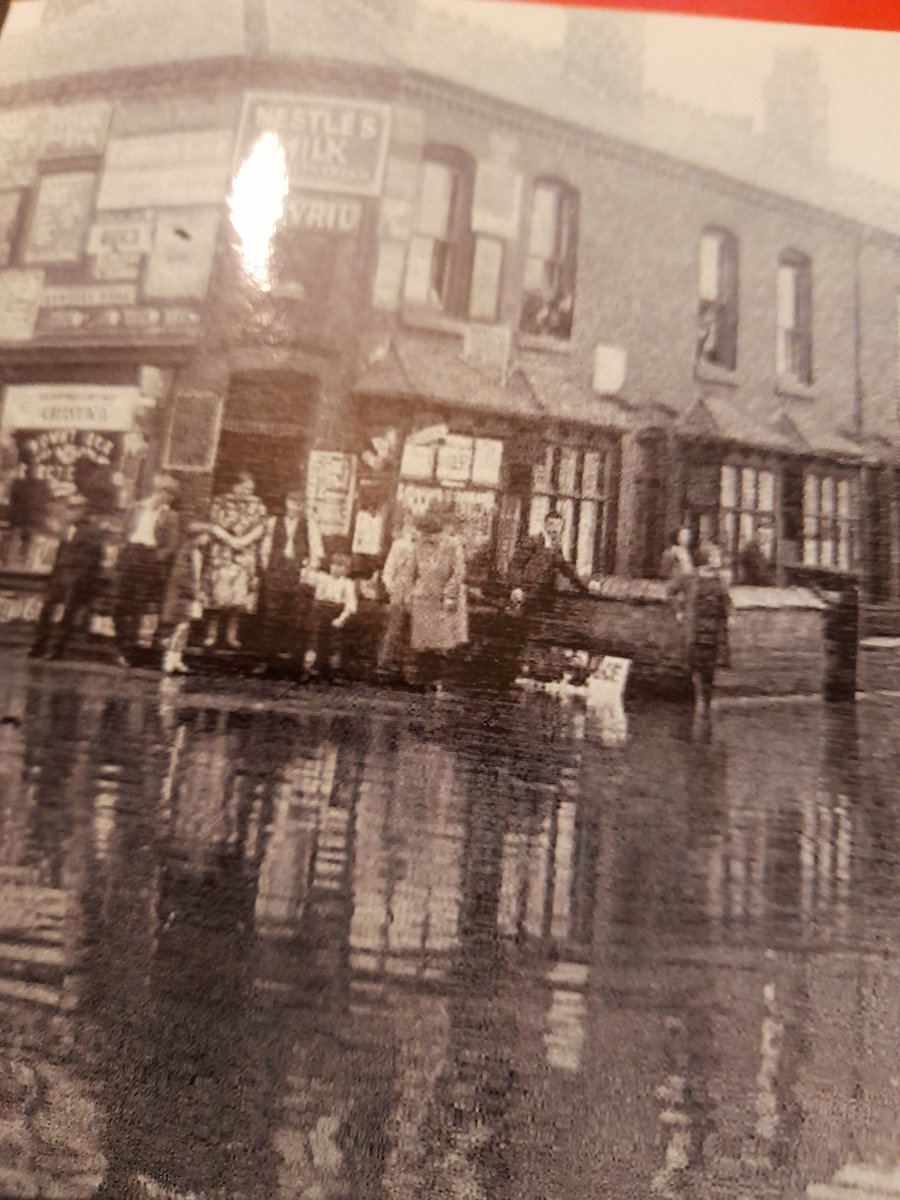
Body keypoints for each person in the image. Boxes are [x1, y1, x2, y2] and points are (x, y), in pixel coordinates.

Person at [29, 493, 110, 661]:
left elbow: (93, 559)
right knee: (48, 610)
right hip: (60, 576)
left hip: (75, 579)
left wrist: (78, 578)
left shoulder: (91, 532)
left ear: (83, 511)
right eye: (68, 507)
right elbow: (60, 553)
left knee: (67, 615)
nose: (69, 512)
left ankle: (58, 649)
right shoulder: (67, 528)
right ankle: (39, 646)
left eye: (74, 508)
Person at [112, 473, 181, 665]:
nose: (166, 498)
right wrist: (123, 551)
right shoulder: (135, 508)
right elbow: (124, 532)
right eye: (164, 493)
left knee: (137, 605)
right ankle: (120, 643)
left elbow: (171, 545)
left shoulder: (171, 516)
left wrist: (155, 558)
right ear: (156, 491)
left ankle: (127, 652)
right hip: (130, 555)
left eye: (171, 495)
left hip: (149, 559)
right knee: (119, 605)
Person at [202, 471, 268, 651]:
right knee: (218, 597)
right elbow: (213, 525)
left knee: (238, 599)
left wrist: (243, 541)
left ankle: (231, 636)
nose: (248, 492)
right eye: (245, 488)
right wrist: (231, 541)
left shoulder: (258, 505)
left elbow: (261, 527)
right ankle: (211, 634)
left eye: (251, 489)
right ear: (235, 486)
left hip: (244, 556)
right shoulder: (220, 502)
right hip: (223, 554)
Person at [257, 490, 322, 669]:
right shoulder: (274, 522)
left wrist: (307, 569)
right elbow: (266, 547)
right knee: (272, 614)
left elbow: (316, 552)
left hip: (296, 574)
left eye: (299, 504)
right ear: (286, 502)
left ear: (303, 507)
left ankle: (287, 656)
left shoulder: (309, 525)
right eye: (292, 502)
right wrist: (268, 569)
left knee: (293, 614)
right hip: (276, 572)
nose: (295, 507)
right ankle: (266, 657)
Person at [408, 507, 469, 690]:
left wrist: (450, 595)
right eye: (425, 535)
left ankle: (435, 680)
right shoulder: (418, 543)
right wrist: (409, 591)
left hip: (444, 596)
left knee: (441, 640)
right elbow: (412, 569)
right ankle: (422, 679)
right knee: (422, 640)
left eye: (431, 535)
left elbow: (458, 573)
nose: (427, 539)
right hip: (424, 595)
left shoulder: (452, 545)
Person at [672, 542, 732, 715]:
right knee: (695, 661)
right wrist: (679, 611)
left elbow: (725, 599)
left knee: (711, 662)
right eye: (714, 557)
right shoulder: (690, 577)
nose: (718, 560)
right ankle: (697, 697)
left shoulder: (720, 578)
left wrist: (730, 613)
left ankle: (708, 697)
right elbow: (671, 591)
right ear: (706, 558)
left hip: (714, 626)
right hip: (696, 624)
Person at [158, 523, 210, 675]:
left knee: (185, 628)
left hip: (189, 595)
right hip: (181, 596)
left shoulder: (197, 553)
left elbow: (199, 575)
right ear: (197, 536)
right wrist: (196, 593)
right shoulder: (185, 552)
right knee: (179, 627)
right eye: (205, 535)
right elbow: (182, 577)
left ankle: (176, 658)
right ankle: (169, 659)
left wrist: (201, 592)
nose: (207, 539)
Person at [303, 553, 358, 678]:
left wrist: (342, 618)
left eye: (340, 565)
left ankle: (334, 671)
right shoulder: (323, 578)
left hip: (335, 613)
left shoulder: (348, 584)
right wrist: (309, 564)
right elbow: (307, 577)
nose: (336, 568)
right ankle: (309, 668)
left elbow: (351, 605)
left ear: (347, 569)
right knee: (314, 640)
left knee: (334, 643)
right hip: (319, 612)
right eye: (334, 564)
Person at [376, 513, 417, 681]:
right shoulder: (401, 545)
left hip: (418, 592)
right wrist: (392, 589)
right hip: (401, 589)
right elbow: (389, 570)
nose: (415, 532)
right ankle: (385, 664)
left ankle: (407, 668)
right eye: (411, 527)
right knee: (394, 628)